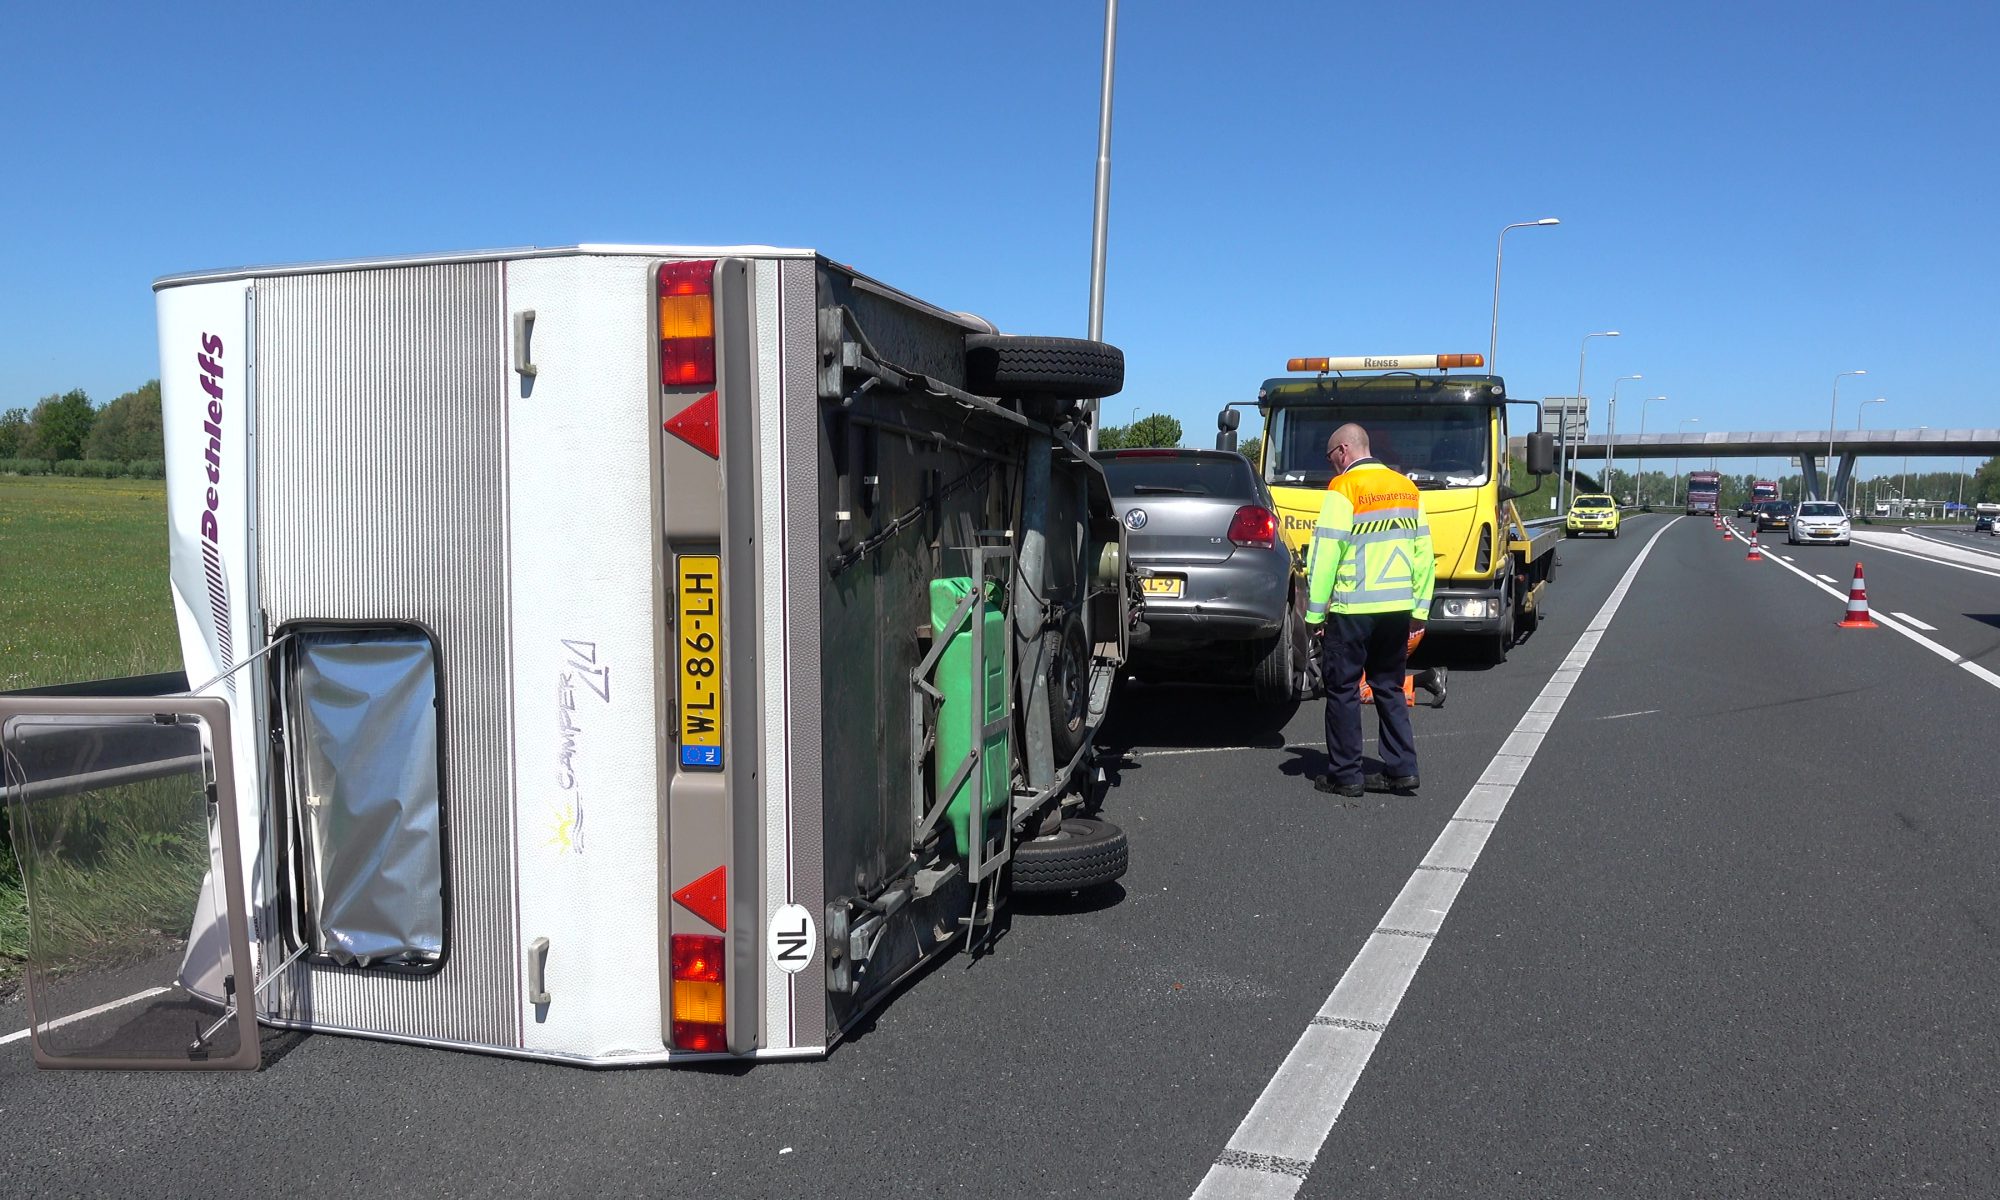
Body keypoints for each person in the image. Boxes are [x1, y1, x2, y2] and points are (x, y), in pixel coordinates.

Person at [1304, 424, 1436, 797]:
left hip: (1353, 609)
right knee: (1389, 687)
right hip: (1397, 609)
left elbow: (1326, 554)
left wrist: (1314, 615)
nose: (1333, 467)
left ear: (1344, 450)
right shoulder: (1407, 489)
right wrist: (1420, 608)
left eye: (1332, 459)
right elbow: (1423, 553)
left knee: (1343, 689)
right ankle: (1402, 770)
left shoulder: (1344, 489)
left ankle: (1346, 776)